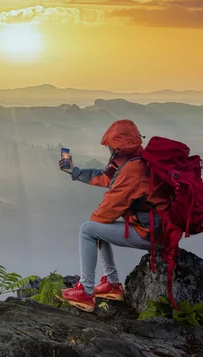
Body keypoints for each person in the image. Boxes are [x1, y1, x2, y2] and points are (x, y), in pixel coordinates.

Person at [58, 119, 170, 312]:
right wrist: (74, 172)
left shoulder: (132, 170)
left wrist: (95, 227)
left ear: (119, 148)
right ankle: (112, 284)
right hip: (157, 229)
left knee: (88, 230)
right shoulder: (137, 159)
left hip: (151, 234)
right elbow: (106, 177)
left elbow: (107, 211)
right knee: (98, 229)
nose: (109, 150)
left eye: (111, 146)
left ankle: (86, 291)